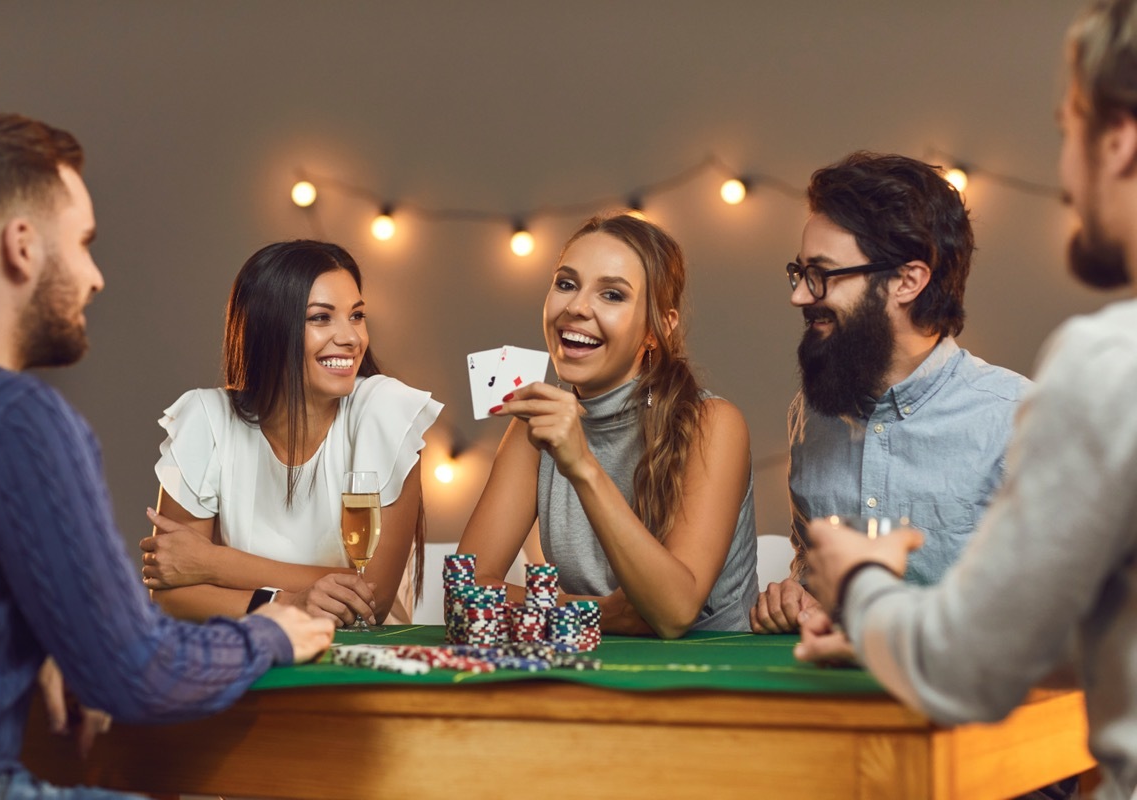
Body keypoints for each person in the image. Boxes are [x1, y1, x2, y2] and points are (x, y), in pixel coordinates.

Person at [795, 2, 1137, 797]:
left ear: (1116, 142)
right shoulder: (815, 417)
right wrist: (884, 634)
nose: (1065, 174)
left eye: (1067, 127)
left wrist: (859, 585)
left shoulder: (1102, 370)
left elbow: (967, 671)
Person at [0, 113, 334, 798]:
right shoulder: (19, 421)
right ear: (22, 247)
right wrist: (268, 634)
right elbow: (139, 673)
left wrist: (39, 642)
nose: (94, 277)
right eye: (84, 243)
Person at [750, 152, 1029, 635]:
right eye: (800, 273)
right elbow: (815, 576)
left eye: (822, 274)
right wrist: (798, 593)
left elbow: (1059, 613)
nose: (799, 296)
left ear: (906, 280)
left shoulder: (1018, 421)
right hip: (832, 701)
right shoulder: (810, 415)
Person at [458, 212, 758, 638]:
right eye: (566, 284)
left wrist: (581, 464)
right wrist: (601, 612)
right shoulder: (532, 427)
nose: (577, 307)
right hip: (589, 666)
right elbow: (466, 593)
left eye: (612, 295)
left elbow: (673, 612)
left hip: (708, 679)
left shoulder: (712, 423)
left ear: (657, 330)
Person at [140, 240, 442, 627]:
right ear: (268, 328)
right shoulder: (206, 419)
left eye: (357, 316)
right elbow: (171, 593)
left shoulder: (383, 410)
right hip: (252, 660)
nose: (351, 338)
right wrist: (284, 604)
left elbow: (371, 598)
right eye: (321, 318)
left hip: (362, 664)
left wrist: (213, 563)